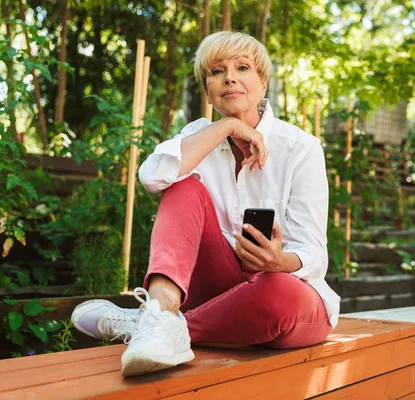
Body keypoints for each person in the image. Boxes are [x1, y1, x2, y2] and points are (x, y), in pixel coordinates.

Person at [71, 31, 340, 377]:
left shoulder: (301, 148)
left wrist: (279, 260)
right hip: (217, 290)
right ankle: (163, 310)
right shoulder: (198, 137)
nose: (229, 77)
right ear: (209, 91)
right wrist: (227, 126)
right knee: (182, 186)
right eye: (216, 72)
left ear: (262, 82)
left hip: (283, 296)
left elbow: (314, 253)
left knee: (278, 291)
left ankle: (152, 326)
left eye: (242, 67)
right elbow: (153, 176)